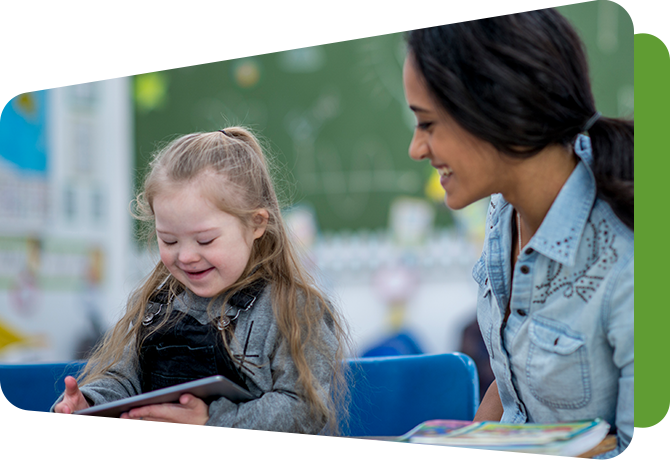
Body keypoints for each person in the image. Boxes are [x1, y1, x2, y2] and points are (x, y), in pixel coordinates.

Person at [403, 1, 633, 459]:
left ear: (497, 108)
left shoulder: (629, 263)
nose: (416, 148)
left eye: (427, 123)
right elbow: (516, 396)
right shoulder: (503, 212)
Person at [51, 127, 349, 444]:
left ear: (256, 223)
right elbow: (126, 382)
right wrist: (89, 405)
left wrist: (212, 421)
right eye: (169, 240)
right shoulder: (156, 304)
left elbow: (304, 409)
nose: (187, 256)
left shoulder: (293, 308)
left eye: (205, 240)